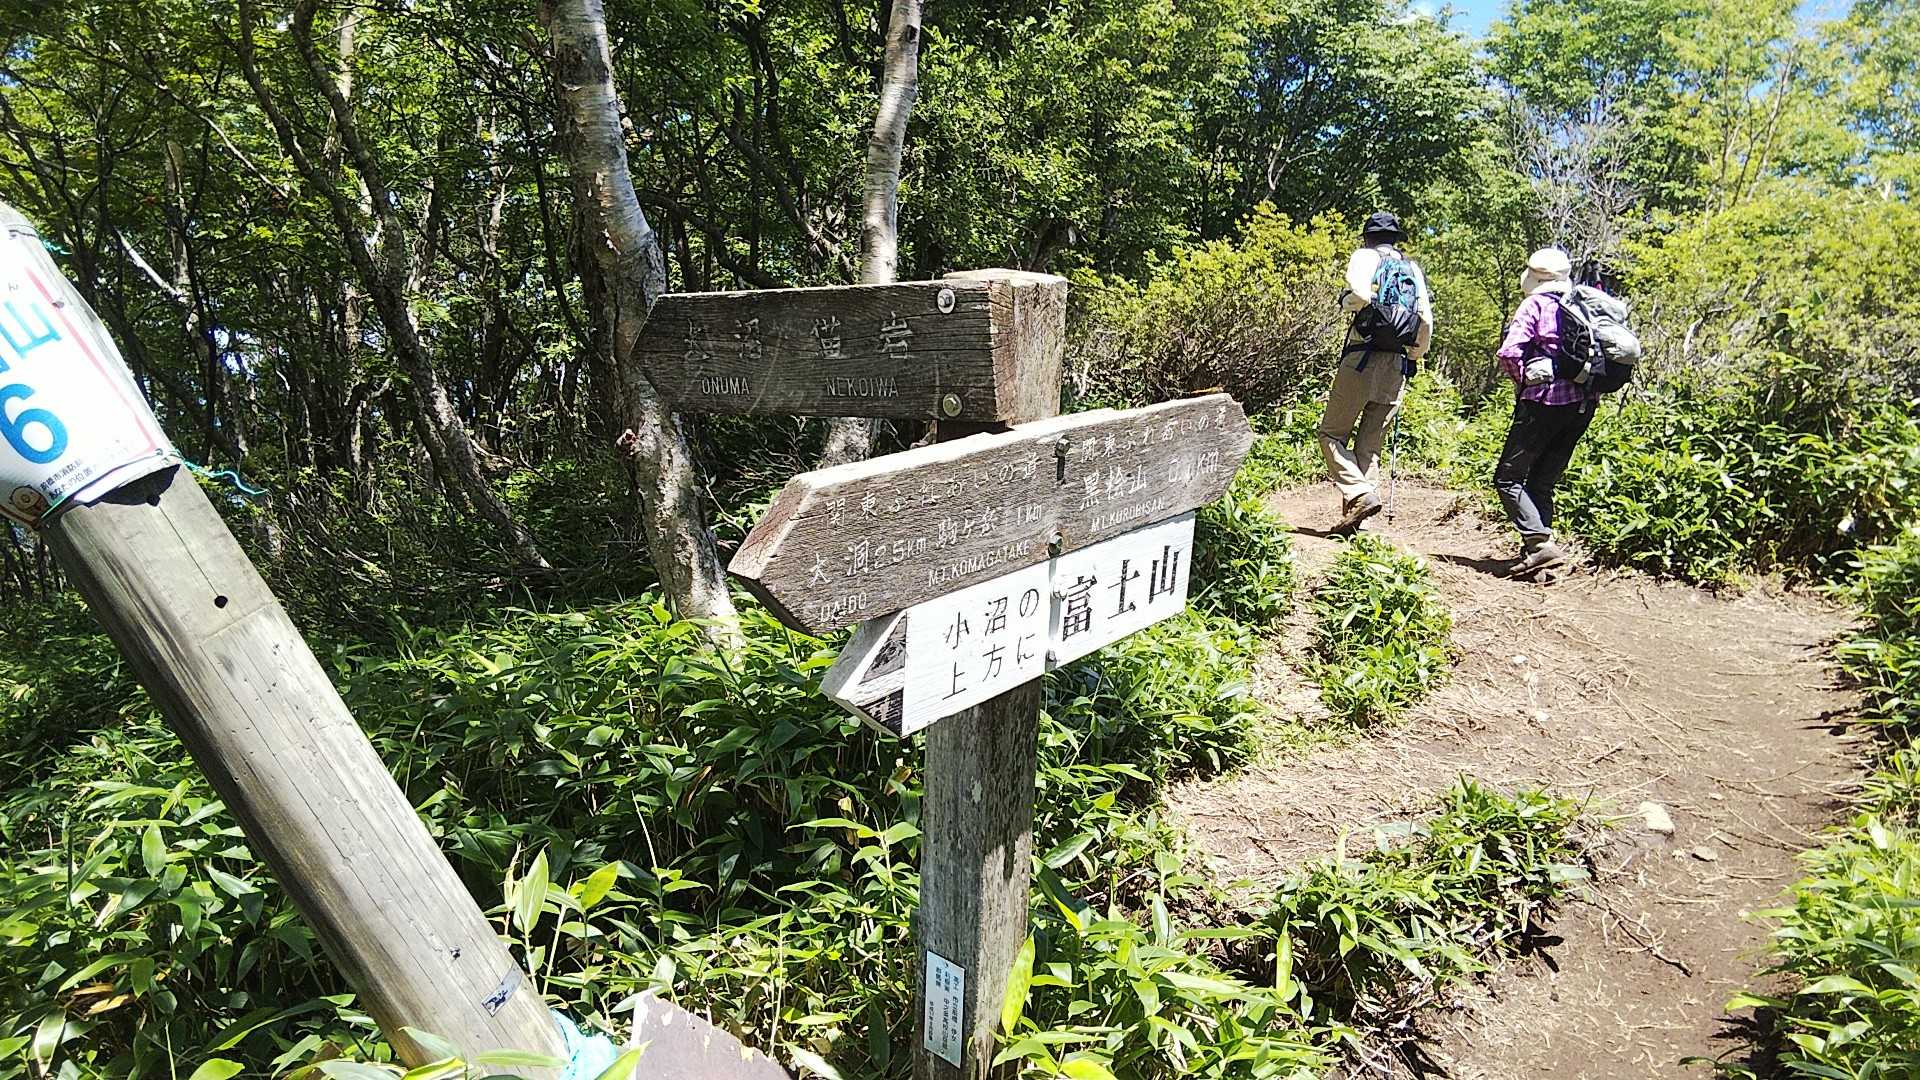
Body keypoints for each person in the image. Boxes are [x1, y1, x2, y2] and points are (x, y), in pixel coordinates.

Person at [1318, 211, 1434, 532]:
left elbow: (1360, 294)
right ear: (1395, 240)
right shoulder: (1411, 268)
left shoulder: (1365, 257)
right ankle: (1359, 527)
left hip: (1362, 357)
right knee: (1369, 446)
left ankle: (1359, 493)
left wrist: (1346, 302)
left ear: (1367, 237)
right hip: (1396, 363)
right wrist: (1414, 356)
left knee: (1331, 434)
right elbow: (1425, 320)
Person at [1493, 247, 1596, 577]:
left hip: (1544, 401)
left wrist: (1522, 381)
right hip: (1583, 405)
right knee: (1542, 482)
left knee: (1507, 478)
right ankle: (1540, 563)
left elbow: (1510, 352)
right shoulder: (1582, 304)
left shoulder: (1535, 304)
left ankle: (1538, 544)